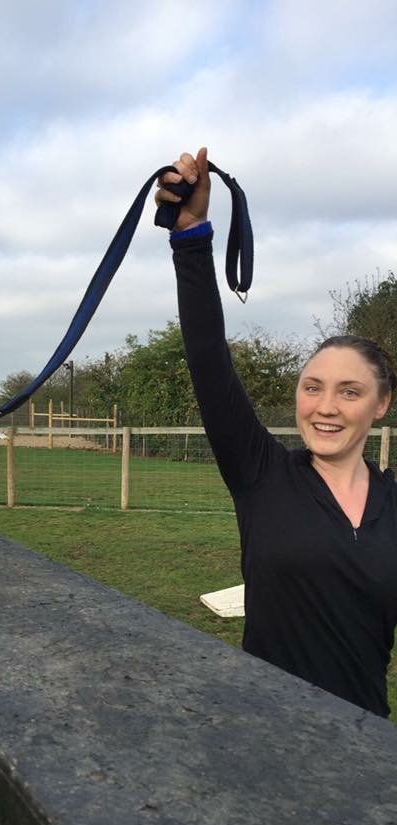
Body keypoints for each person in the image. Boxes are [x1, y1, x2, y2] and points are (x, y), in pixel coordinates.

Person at [155, 147, 397, 717]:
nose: (325, 407)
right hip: (265, 739)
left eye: (350, 391)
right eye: (312, 387)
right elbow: (209, 360)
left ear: (382, 405)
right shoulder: (261, 474)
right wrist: (191, 239)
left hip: (367, 749)